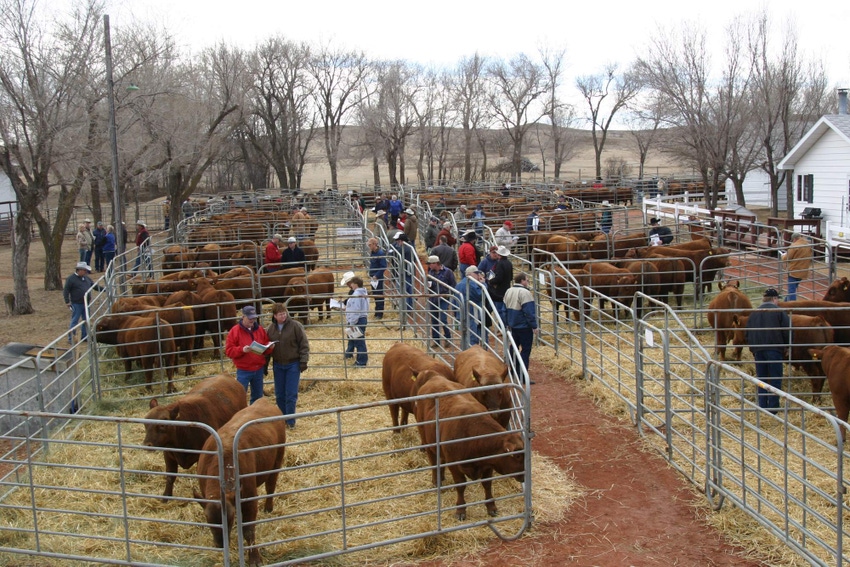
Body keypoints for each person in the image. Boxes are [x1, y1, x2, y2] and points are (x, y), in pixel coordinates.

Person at [745, 288, 791, 413]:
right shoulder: (779, 311)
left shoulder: (754, 313)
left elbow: (747, 333)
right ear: (774, 299)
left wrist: (753, 348)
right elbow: (787, 330)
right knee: (775, 377)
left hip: (759, 350)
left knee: (761, 378)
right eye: (777, 299)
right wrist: (787, 346)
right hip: (774, 349)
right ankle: (773, 407)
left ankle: (762, 405)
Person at [265, 303, 310, 429]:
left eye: (284, 313)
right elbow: (267, 349)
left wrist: (303, 361)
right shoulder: (270, 329)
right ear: (274, 316)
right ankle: (282, 418)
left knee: (291, 394)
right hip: (278, 365)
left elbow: (304, 344)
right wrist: (265, 364)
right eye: (280, 314)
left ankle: (290, 421)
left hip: (293, 364)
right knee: (279, 394)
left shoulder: (295, 326)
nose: (283, 316)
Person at [225, 305, 272, 403]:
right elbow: (229, 351)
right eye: (250, 318)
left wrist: (269, 347)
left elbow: (265, 344)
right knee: (240, 396)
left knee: (258, 397)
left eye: (254, 318)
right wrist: (241, 350)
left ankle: (256, 416)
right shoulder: (235, 331)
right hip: (244, 370)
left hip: (258, 368)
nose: (252, 320)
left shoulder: (259, 329)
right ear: (243, 317)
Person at [504, 272, 539, 380]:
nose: (528, 282)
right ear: (522, 281)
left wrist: (507, 322)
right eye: (527, 280)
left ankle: (512, 369)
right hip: (524, 326)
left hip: (512, 325)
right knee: (525, 350)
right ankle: (522, 374)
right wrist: (534, 325)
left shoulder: (509, 291)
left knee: (513, 347)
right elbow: (529, 311)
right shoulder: (524, 292)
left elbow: (504, 309)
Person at [63, 261, 102, 343]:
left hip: (86, 303)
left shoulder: (86, 278)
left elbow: (93, 286)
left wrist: (103, 289)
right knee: (75, 320)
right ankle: (71, 338)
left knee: (86, 319)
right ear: (79, 270)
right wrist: (67, 301)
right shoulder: (71, 279)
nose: (86, 272)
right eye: (84, 270)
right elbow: (66, 290)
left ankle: (84, 336)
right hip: (77, 303)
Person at [426, 255, 457, 347]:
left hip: (444, 298)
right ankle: (436, 341)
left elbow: (453, 284)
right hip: (433, 298)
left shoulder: (448, 272)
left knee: (443, 319)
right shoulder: (430, 272)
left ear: (436, 263)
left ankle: (448, 338)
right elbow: (428, 285)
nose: (429, 266)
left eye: (430, 264)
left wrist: (449, 295)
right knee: (434, 320)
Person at [342, 272, 369, 366]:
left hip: (357, 320)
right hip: (362, 318)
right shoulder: (364, 292)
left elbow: (356, 310)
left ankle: (361, 362)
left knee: (359, 341)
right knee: (358, 339)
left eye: (352, 284)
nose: (351, 285)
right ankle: (359, 359)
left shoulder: (356, 295)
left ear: (355, 284)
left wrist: (352, 323)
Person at [456, 266, 486, 346]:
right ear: (471, 274)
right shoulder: (471, 283)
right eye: (477, 273)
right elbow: (481, 295)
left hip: (461, 313)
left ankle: (465, 353)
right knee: (472, 337)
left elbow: (454, 301)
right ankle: (472, 354)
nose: (478, 275)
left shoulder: (459, 284)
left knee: (464, 335)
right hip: (472, 314)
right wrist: (483, 284)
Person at [782, 233, 813, 301]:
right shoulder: (807, 245)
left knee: (791, 291)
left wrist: (783, 256)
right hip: (803, 271)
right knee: (793, 288)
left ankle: (792, 306)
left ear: (795, 239)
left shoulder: (794, 246)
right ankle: (785, 303)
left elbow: (787, 258)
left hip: (794, 271)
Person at [488, 245, 514, 324]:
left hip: (499, 290)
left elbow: (499, 278)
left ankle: (503, 326)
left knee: (500, 310)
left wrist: (491, 281)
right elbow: (511, 277)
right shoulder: (509, 263)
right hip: (507, 288)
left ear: (499, 255)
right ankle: (505, 326)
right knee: (505, 309)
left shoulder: (500, 264)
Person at [392, 232, 416, 313]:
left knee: (403, 289)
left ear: (402, 241)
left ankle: (406, 308)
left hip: (404, 271)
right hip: (408, 271)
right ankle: (409, 307)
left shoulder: (405, 248)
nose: (397, 243)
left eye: (398, 241)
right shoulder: (410, 247)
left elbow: (394, 253)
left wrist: (393, 249)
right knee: (408, 289)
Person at [368, 237, 387, 319]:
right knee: (375, 295)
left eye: (370, 245)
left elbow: (383, 266)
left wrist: (377, 275)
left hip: (377, 277)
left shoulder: (380, 253)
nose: (369, 246)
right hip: (373, 277)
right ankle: (377, 312)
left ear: (374, 244)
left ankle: (380, 313)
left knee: (379, 295)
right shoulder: (373, 252)